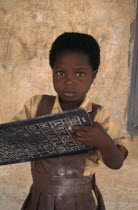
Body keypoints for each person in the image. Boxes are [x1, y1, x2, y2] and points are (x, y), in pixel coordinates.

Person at [12, 32, 128, 210]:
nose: (69, 81)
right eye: (60, 72)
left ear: (93, 75)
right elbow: (11, 139)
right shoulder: (36, 106)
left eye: (80, 74)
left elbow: (117, 163)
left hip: (82, 202)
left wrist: (104, 142)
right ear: (52, 71)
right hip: (40, 199)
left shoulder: (99, 115)